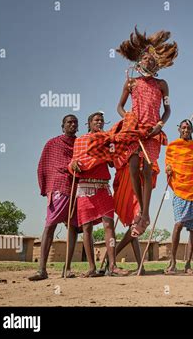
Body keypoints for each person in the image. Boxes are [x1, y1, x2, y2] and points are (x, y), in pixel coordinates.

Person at [115, 27, 176, 237]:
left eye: (152, 60)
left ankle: (146, 212)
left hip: (152, 131)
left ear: (157, 63)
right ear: (139, 61)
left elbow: (168, 110)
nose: (149, 62)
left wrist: (160, 125)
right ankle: (140, 207)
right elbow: (120, 107)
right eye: (145, 59)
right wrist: (128, 118)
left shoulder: (162, 85)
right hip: (135, 130)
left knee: (147, 170)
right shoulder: (131, 83)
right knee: (133, 166)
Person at [69, 112, 127, 277]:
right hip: (84, 187)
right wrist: (73, 165)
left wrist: (109, 149)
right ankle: (91, 268)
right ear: (89, 123)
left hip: (102, 187)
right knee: (86, 227)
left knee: (108, 225)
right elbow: (74, 161)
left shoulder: (107, 139)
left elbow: (112, 161)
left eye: (102, 120)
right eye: (96, 120)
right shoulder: (80, 141)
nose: (100, 122)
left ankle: (113, 266)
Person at [29, 115, 79, 281]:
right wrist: (47, 187)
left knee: (73, 227)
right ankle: (42, 269)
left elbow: (87, 162)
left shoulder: (80, 144)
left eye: (75, 123)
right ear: (62, 126)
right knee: (50, 225)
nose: (72, 125)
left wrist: (77, 166)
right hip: (59, 187)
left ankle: (68, 268)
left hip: (76, 188)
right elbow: (44, 165)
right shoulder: (52, 144)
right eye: (69, 122)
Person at [164, 119, 193, 274]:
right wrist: (168, 168)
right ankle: (173, 262)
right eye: (184, 127)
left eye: (189, 128)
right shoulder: (173, 146)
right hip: (180, 190)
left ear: (192, 130)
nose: (186, 129)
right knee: (179, 224)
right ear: (179, 129)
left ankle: (187, 264)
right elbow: (169, 163)